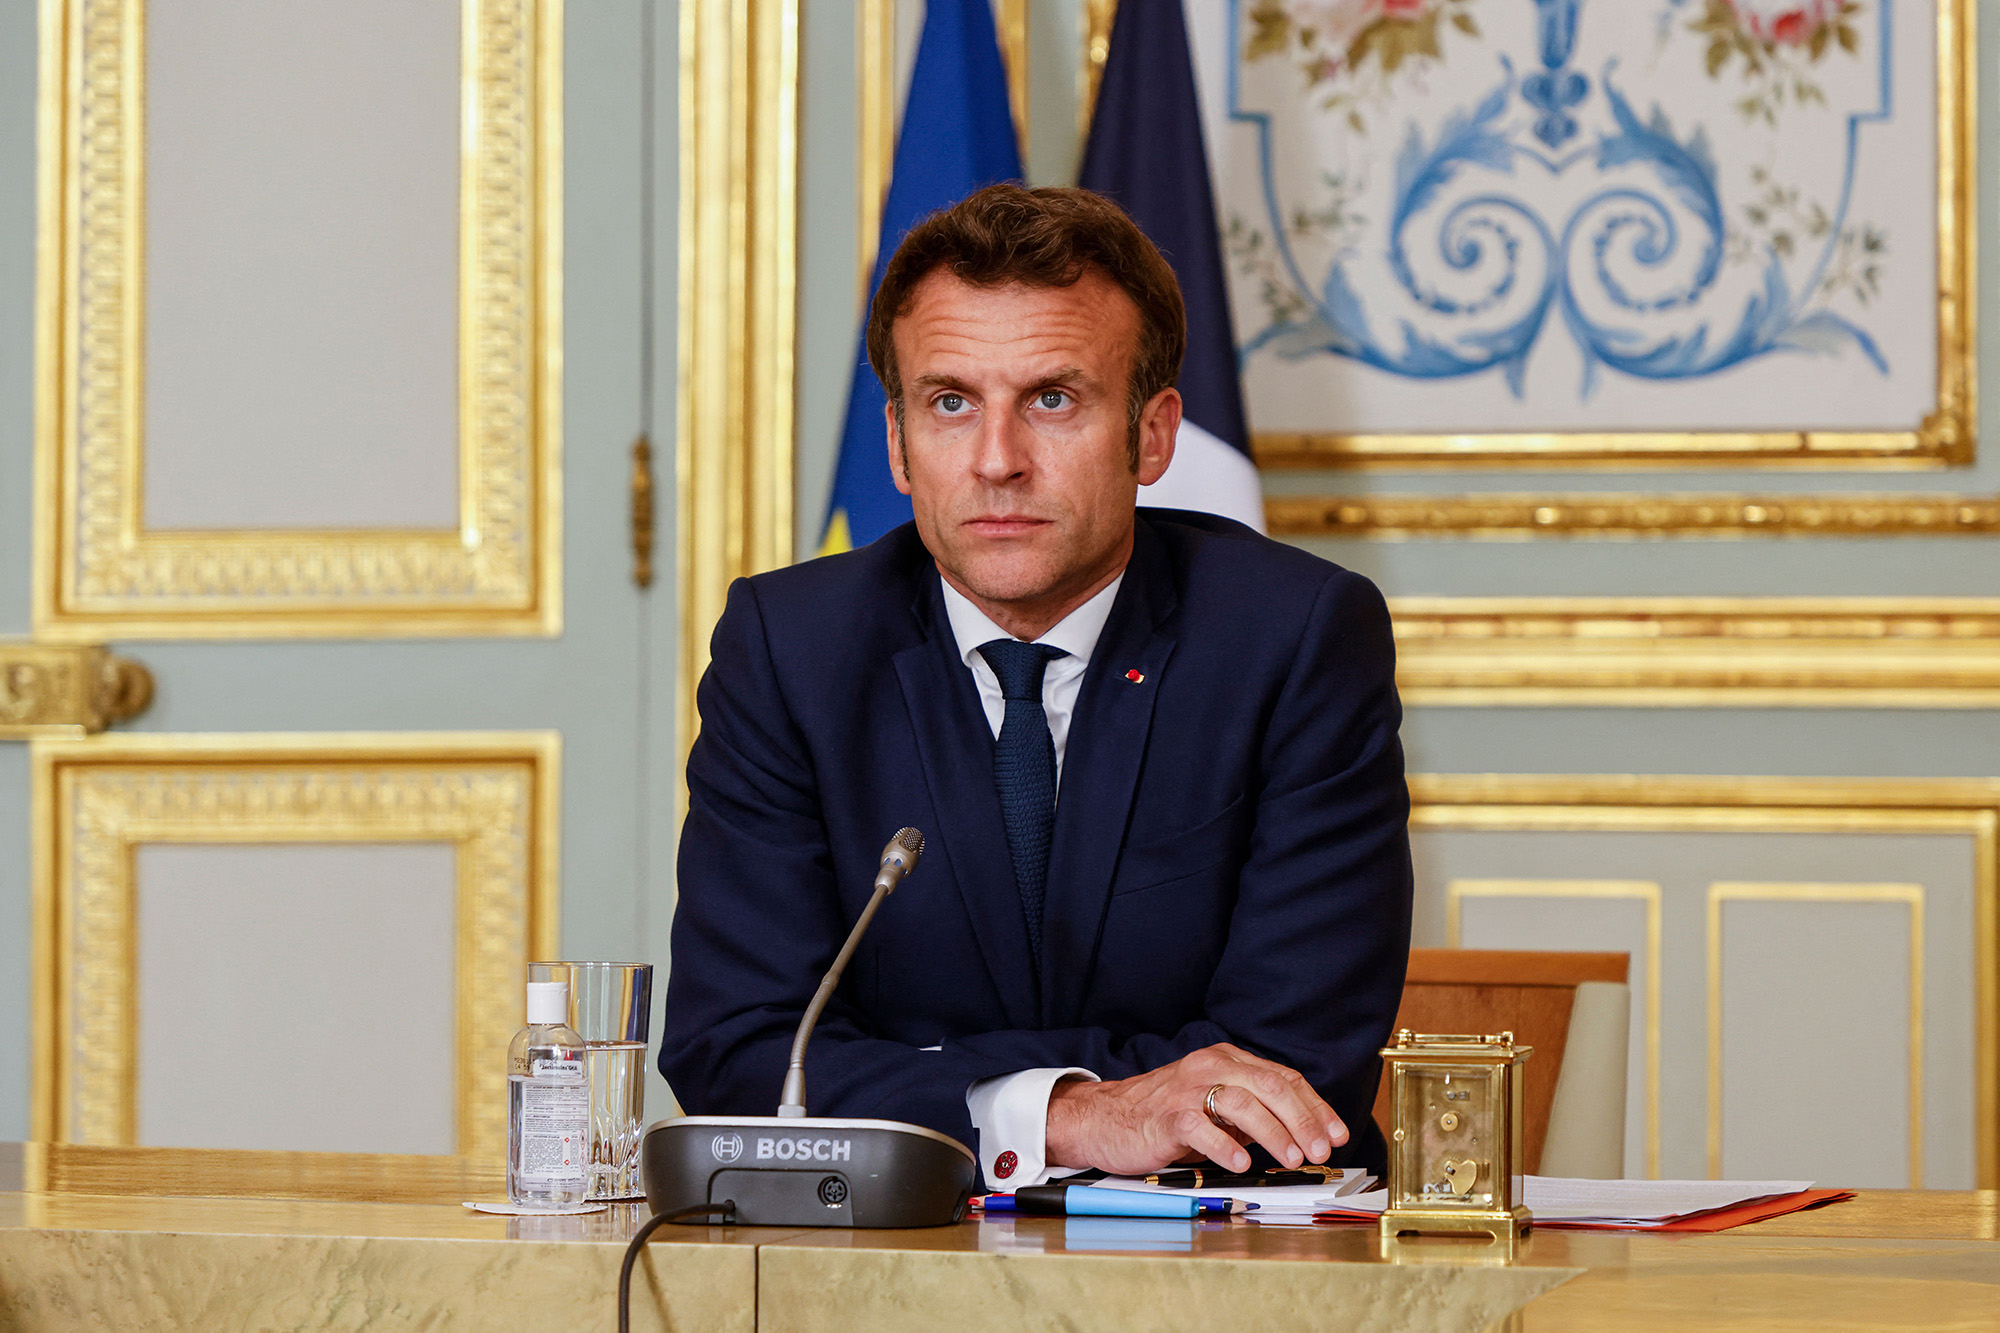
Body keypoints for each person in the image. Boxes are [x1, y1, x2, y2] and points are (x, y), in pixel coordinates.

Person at [661, 184, 1412, 1187]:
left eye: (1052, 399)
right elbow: (743, 1052)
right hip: (888, 1266)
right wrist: (1068, 1116)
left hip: (1224, 1264)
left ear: (1152, 436)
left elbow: (1284, 1070)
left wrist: (931, 1086)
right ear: (894, 442)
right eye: (949, 403)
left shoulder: (1292, 638)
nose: (996, 461)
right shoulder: (790, 648)